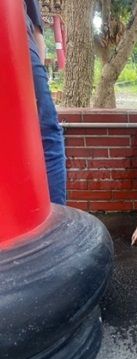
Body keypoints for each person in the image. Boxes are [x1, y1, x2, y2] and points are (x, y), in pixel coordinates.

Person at [24, 0, 67, 205]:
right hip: (19, 43)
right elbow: (36, 31)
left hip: (21, 44)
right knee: (48, 135)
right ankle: (57, 220)